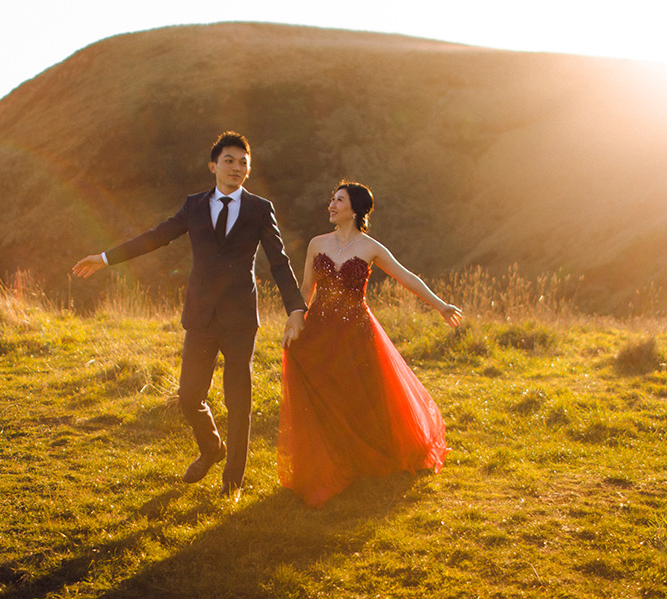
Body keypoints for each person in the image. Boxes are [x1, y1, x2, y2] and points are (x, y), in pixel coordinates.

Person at [72, 131, 307, 496]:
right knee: (188, 396)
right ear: (213, 165)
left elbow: (279, 261)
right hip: (200, 316)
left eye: (243, 162)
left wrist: (295, 308)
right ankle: (212, 448)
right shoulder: (194, 205)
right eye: (229, 160)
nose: (236, 167)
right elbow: (156, 236)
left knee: (238, 400)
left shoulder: (260, 208)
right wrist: (105, 258)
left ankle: (233, 482)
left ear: (249, 170)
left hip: (240, 319)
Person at [278, 181, 460, 508]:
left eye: (338, 200)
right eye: (331, 199)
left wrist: (440, 304)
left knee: (360, 394)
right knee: (324, 388)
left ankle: (367, 456)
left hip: (356, 332)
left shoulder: (370, 247)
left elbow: (407, 277)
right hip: (320, 328)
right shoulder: (317, 243)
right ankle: (331, 455)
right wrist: (295, 320)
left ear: (355, 208)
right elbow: (306, 288)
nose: (331, 205)